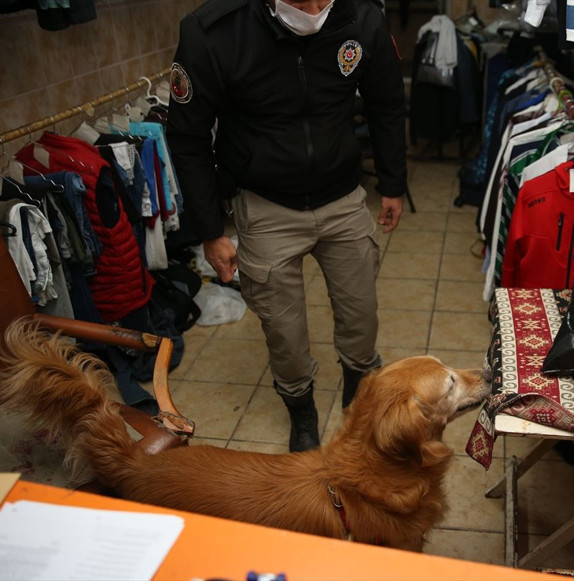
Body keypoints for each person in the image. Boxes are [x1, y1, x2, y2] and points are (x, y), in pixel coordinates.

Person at [166, 0, 407, 452]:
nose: (314, 7)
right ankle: (301, 411)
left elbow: (387, 103)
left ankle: (358, 391)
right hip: (265, 203)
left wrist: (392, 182)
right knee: (284, 331)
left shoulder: (362, 17)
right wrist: (211, 230)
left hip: (342, 197)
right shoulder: (213, 31)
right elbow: (188, 137)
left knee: (361, 314)